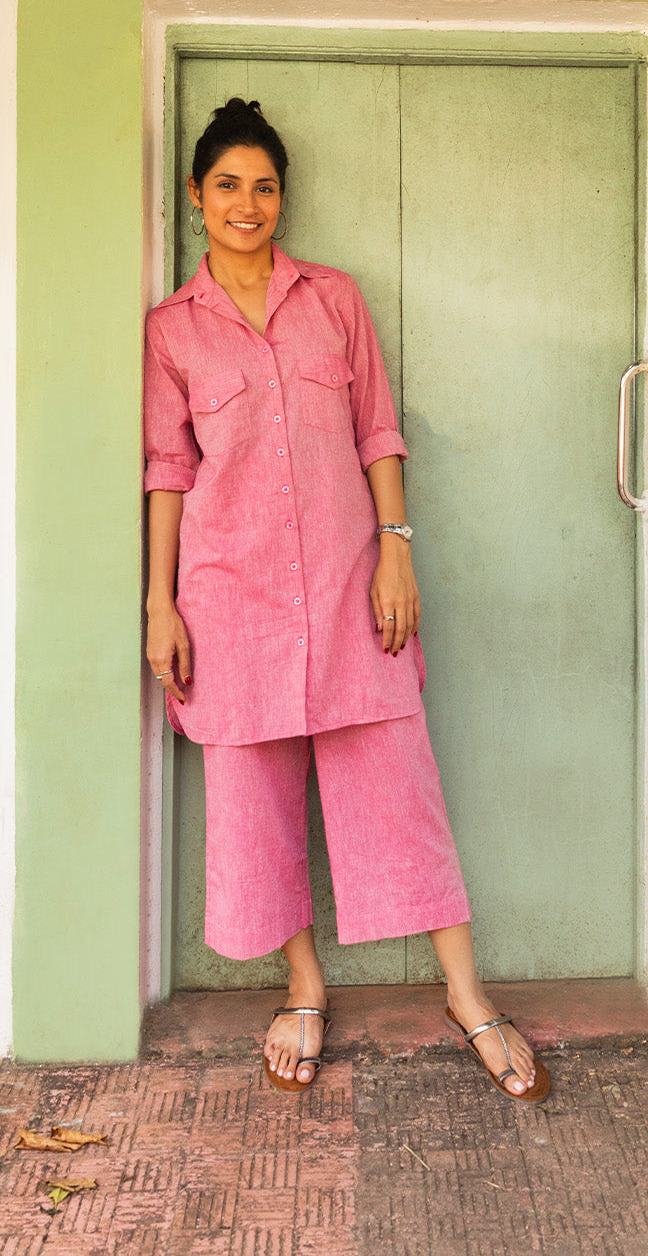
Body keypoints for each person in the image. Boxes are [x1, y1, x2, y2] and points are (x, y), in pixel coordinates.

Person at [143, 98, 550, 1103]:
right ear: (196, 195)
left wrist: (395, 551)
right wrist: (160, 602)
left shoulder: (333, 300)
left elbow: (376, 430)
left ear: (283, 198)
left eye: (264, 186)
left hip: (347, 588)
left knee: (399, 789)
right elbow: (168, 470)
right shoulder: (172, 330)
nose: (247, 203)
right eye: (227, 184)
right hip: (230, 598)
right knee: (255, 803)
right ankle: (304, 986)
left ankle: (466, 995)